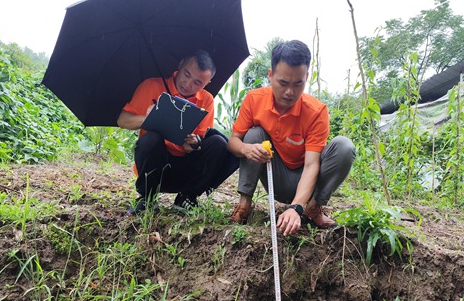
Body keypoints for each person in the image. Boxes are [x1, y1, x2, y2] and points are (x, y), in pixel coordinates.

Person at [227, 40, 356, 236]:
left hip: (307, 181)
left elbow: (312, 165)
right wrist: (246, 149)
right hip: (277, 176)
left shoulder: (316, 111)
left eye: (298, 84)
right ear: (271, 75)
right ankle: (244, 205)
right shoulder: (254, 100)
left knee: (344, 147)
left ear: (306, 77)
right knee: (253, 134)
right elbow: (233, 141)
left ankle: (313, 207)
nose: (290, 92)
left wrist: (296, 208)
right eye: (283, 83)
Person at [118, 49, 238, 215]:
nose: (188, 84)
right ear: (180, 65)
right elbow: (122, 120)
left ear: (207, 83)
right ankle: (147, 197)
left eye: (197, 82)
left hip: (184, 171)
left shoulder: (206, 100)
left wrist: (193, 144)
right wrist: (150, 118)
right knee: (152, 138)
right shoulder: (153, 85)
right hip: (155, 168)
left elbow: (200, 138)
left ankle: (187, 197)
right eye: (186, 74)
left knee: (219, 142)